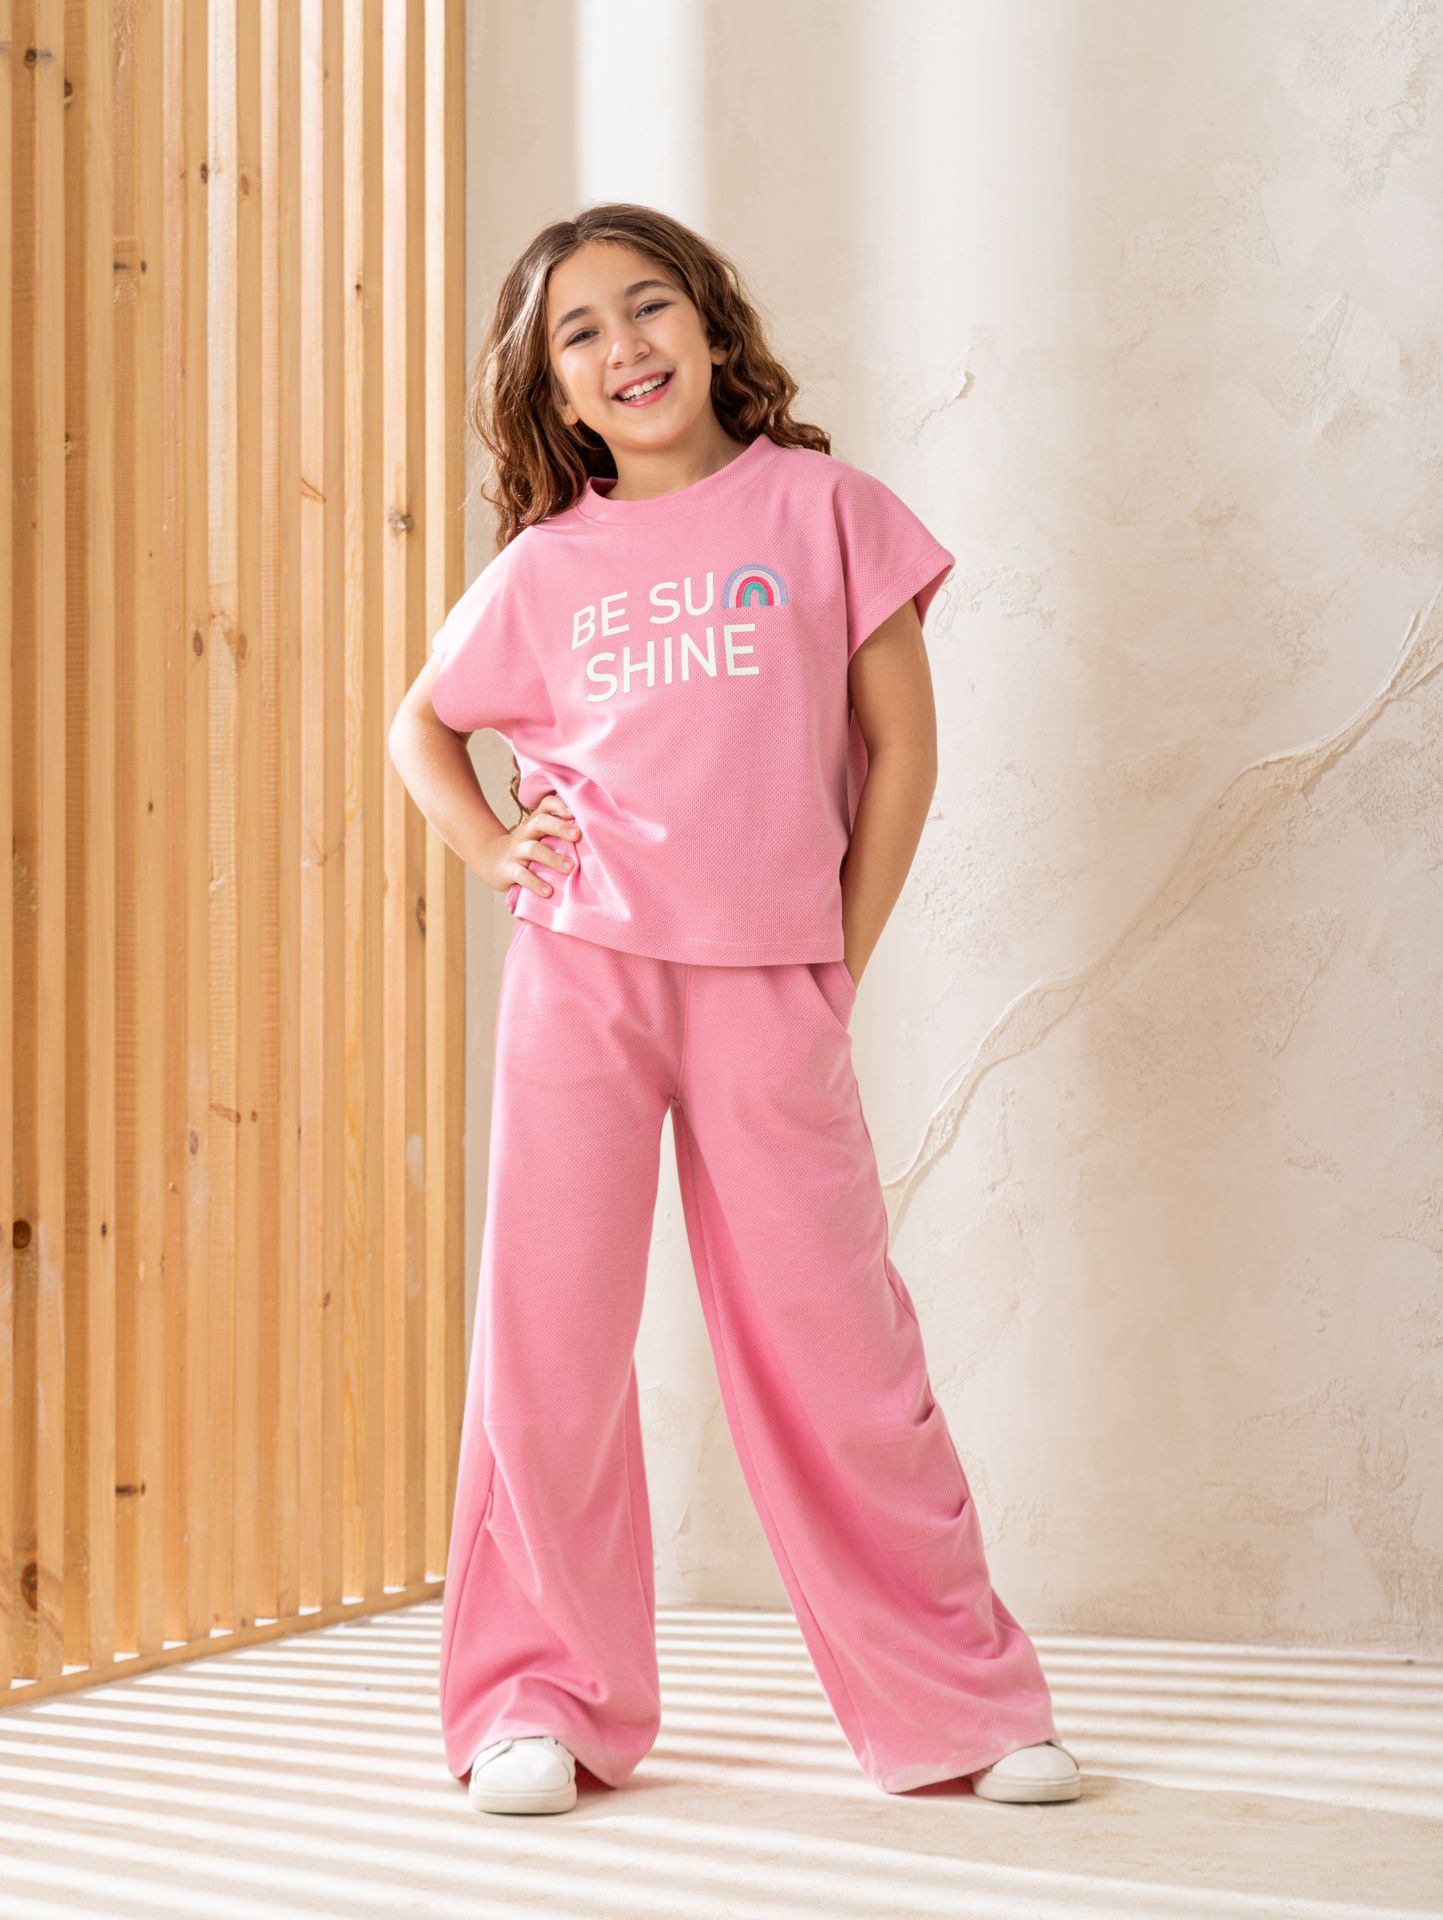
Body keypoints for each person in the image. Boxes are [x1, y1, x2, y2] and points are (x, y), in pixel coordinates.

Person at [388, 202, 1081, 1818]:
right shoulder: (544, 568)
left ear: (710, 325)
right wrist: (493, 846)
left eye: (649, 306)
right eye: (580, 332)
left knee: (839, 1343)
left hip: (770, 980)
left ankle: (960, 1700)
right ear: (554, 390)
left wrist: (838, 953)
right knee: (546, 1345)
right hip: (580, 975)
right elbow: (422, 727)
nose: (623, 346)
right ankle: (534, 1700)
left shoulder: (828, 511)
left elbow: (903, 751)